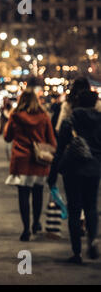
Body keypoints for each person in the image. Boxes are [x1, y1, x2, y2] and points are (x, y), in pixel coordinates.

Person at [48, 90, 101, 264]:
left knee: (74, 209)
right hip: (93, 169)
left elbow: (60, 149)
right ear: (94, 103)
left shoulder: (70, 122)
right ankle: (92, 239)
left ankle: (76, 252)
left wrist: (53, 174)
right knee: (91, 206)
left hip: (73, 170)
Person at [4, 89, 57, 242]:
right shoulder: (43, 116)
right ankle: (36, 223)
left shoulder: (15, 116)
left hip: (21, 160)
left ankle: (26, 228)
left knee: (23, 195)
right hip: (39, 161)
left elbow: (7, 137)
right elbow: (52, 141)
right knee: (38, 193)